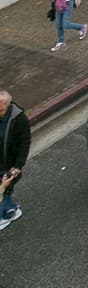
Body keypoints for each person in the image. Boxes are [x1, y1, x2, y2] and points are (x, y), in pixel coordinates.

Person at [0, 92, 30, 230]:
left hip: (8, 163)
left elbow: (24, 143)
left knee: (4, 188)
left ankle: (3, 216)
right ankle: (11, 210)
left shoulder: (19, 120)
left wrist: (18, 166)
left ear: (8, 104)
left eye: (1, 110)